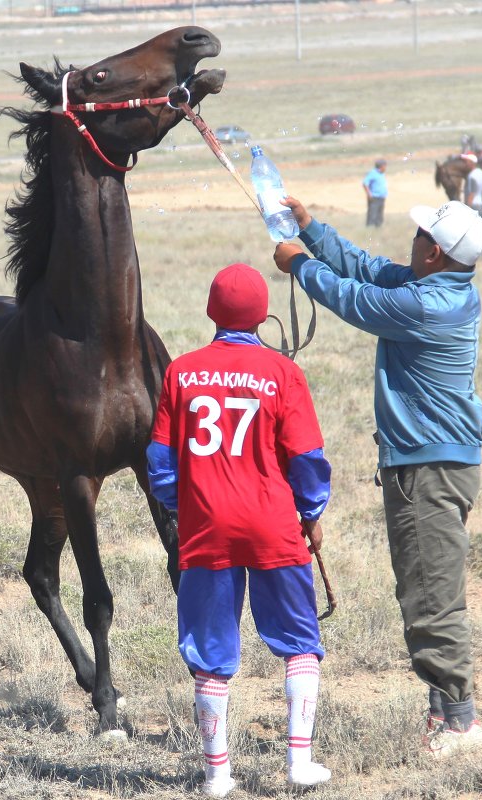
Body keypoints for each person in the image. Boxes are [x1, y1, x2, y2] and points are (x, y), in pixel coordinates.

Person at [273, 197, 482, 760]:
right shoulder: (445, 289)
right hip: (437, 464)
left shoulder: (423, 305)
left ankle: (459, 725)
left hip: (426, 470)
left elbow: (355, 298)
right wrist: (312, 230)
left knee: (432, 597)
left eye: (421, 234)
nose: (412, 239)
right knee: (428, 588)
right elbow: (368, 269)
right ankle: (445, 714)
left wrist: (298, 264)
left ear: (435, 252)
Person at [147, 263, 332, 797]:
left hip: (206, 528)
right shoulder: (282, 372)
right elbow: (307, 458)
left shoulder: (181, 372)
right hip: (274, 525)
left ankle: (217, 774)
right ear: (261, 314)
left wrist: (187, 508)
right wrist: (311, 513)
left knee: (210, 651)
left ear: (212, 310)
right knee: (299, 642)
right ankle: (299, 762)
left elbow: (160, 463)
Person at [362, 158, 388, 228]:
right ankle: (369, 230)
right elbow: (365, 183)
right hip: (374, 197)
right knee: (372, 214)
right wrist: (369, 193)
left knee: (380, 215)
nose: (386, 168)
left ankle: (378, 229)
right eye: (385, 166)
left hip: (381, 197)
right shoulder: (373, 173)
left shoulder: (382, 174)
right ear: (381, 166)